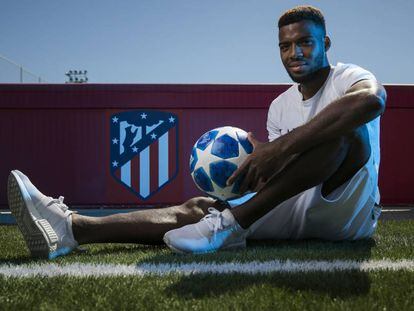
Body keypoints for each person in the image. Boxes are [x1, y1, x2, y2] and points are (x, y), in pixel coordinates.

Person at [7, 5, 386, 258]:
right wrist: (258, 164)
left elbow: (370, 102)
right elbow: (285, 174)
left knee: (347, 133)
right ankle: (70, 228)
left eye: (305, 42)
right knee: (200, 210)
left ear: (325, 44)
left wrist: (279, 148)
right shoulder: (279, 106)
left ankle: (233, 225)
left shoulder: (348, 77)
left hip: (348, 214)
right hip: (298, 207)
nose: (295, 53)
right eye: (285, 46)